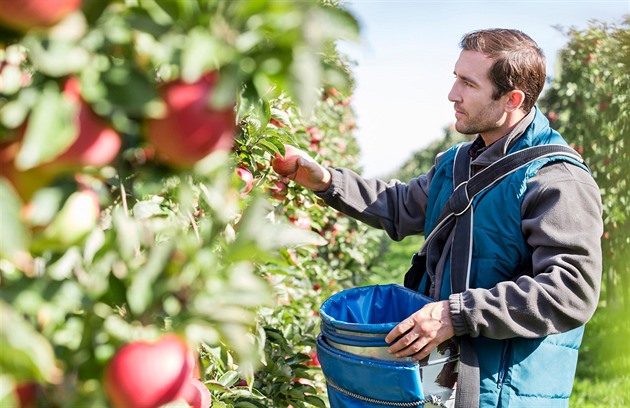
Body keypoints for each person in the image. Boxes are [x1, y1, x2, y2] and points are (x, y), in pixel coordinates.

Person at [272, 28, 603, 408]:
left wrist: (453, 313)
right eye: (455, 78)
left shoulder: (556, 179)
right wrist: (327, 181)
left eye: (468, 83)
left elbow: (570, 291)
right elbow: (400, 206)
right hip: (445, 382)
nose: (452, 94)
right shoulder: (456, 165)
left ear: (512, 99)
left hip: (505, 392)